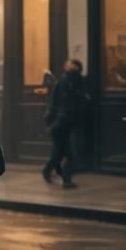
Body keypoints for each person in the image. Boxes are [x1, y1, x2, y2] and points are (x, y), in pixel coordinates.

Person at [43, 58, 89, 189]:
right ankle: (66, 179)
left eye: (70, 64)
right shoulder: (64, 82)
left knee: (63, 152)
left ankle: (49, 172)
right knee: (68, 153)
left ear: (76, 67)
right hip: (62, 122)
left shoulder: (75, 81)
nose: (67, 65)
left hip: (67, 122)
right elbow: (57, 103)